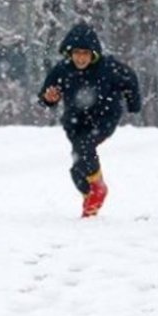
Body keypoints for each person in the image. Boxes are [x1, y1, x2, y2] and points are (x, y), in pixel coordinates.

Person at [39, 21, 141, 217]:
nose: (80, 58)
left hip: (104, 118)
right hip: (75, 121)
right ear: (69, 53)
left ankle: (98, 189)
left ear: (93, 54)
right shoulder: (62, 70)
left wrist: (133, 103)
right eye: (76, 53)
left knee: (86, 147)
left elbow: (130, 78)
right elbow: (46, 95)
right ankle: (89, 194)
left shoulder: (108, 67)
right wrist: (48, 98)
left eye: (85, 53)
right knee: (78, 168)